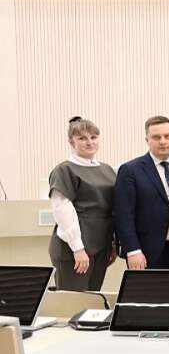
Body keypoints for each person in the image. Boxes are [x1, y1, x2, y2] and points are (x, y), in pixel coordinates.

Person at [114, 115, 169, 271]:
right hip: (146, 251)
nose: (163, 141)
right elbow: (123, 215)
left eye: (167, 136)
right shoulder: (130, 170)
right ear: (147, 140)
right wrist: (133, 250)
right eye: (156, 137)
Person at [48, 117, 117, 290]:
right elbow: (62, 209)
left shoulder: (107, 170)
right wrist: (78, 248)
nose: (89, 142)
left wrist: (113, 244)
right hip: (74, 248)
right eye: (82, 138)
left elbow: (113, 209)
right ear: (71, 142)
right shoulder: (64, 170)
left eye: (93, 137)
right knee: (74, 301)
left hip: (101, 245)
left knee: (93, 299)